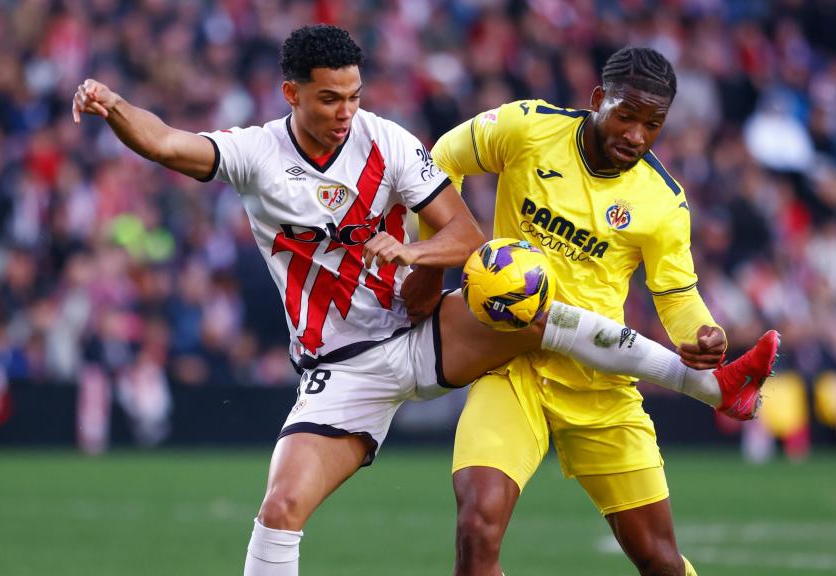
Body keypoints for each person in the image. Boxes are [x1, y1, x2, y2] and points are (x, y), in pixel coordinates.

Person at [73, 26, 776, 576]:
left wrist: (413, 256)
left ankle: (714, 386)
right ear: (291, 94)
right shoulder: (259, 154)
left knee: (514, 280)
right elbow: (168, 143)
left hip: (457, 339)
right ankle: (715, 388)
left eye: (354, 95)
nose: (347, 112)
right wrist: (112, 106)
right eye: (329, 99)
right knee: (289, 508)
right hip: (345, 366)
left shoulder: (390, 142)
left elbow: (468, 234)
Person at [430, 47, 769, 576]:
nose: (637, 134)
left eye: (653, 124)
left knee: (660, 560)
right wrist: (442, 253)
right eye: (626, 115)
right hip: (510, 367)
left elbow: (677, 295)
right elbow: (441, 161)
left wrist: (703, 332)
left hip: (599, 384)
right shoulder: (525, 128)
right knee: (477, 526)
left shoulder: (662, 202)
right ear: (597, 100)